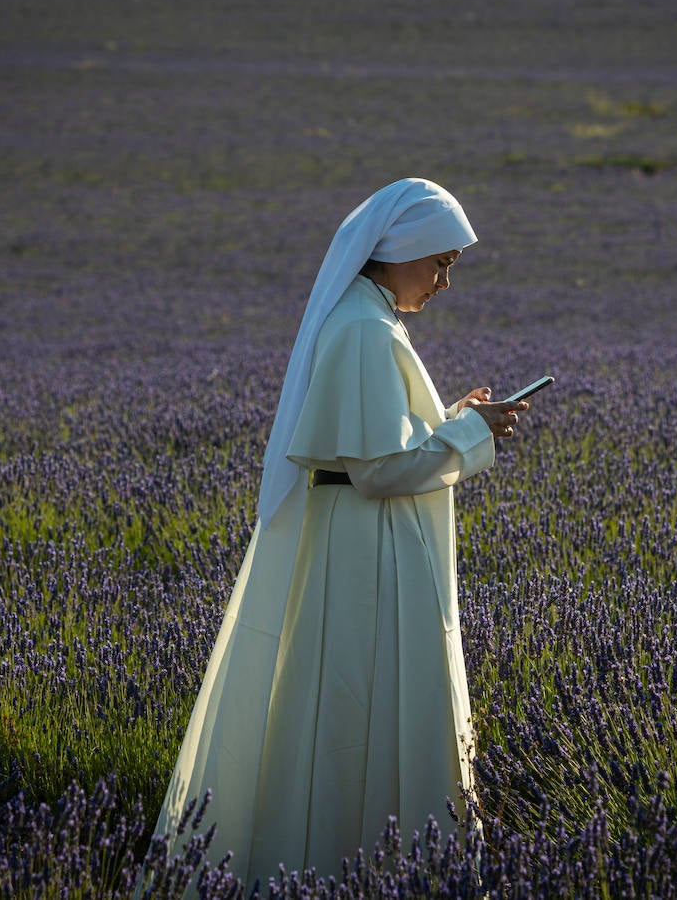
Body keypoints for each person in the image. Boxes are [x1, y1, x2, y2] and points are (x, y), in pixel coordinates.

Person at [143, 178, 529, 890]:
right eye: (438, 263)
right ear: (400, 251)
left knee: (354, 706)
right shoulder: (362, 328)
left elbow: (378, 445)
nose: (444, 283)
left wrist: (450, 416)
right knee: (365, 702)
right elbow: (378, 472)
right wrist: (473, 435)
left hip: (366, 541)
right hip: (366, 552)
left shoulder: (370, 318)